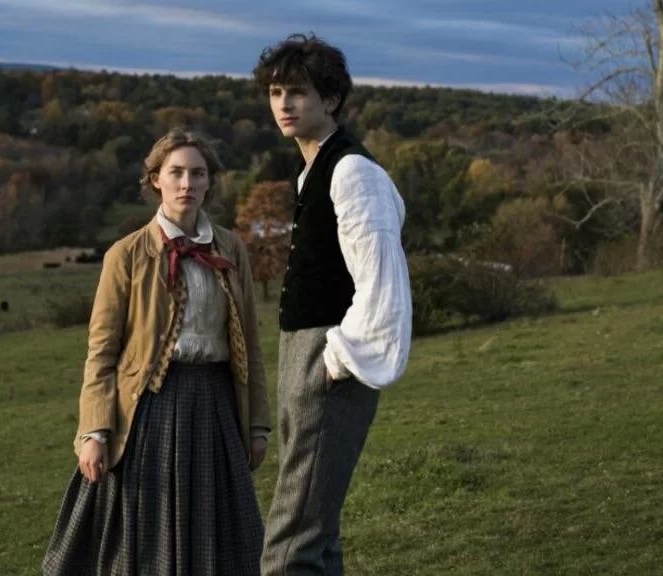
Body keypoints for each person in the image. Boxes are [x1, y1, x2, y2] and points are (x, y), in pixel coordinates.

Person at [42, 128, 271, 576]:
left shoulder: (231, 248)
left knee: (222, 537)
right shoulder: (126, 254)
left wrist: (257, 424)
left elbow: (250, 344)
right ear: (155, 180)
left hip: (216, 406)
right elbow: (101, 352)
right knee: (144, 541)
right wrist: (94, 431)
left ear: (210, 182)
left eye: (197, 173)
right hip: (150, 410)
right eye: (176, 173)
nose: (187, 183)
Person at [254, 33, 413, 576]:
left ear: (331, 99)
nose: (284, 104)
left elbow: (383, 284)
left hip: (329, 360)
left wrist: (336, 360)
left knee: (290, 547)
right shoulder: (314, 170)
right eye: (276, 92)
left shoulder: (351, 172)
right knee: (317, 538)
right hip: (304, 355)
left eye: (297, 92)